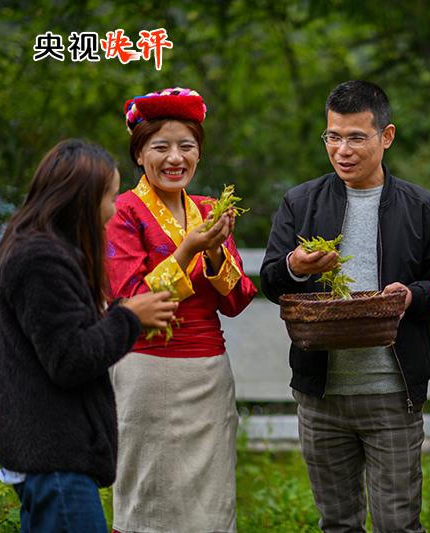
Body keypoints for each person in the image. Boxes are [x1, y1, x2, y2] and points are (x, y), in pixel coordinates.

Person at [260, 80, 430, 533]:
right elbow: (270, 280)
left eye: (356, 137)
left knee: (397, 523)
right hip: (321, 393)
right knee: (337, 523)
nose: (342, 150)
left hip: (392, 392)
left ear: (386, 137)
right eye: (333, 136)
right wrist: (295, 266)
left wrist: (411, 296)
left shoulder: (421, 208)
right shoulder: (301, 202)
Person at [0, 139, 176, 532]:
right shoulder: (41, 259)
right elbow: (70, 358)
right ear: (82, 199)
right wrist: (129, 317)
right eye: (110, 196)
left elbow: (59, 337)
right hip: (55, 461)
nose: (114, 209)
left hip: (48, 460)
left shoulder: (30, 247)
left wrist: (115, 314)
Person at [105, 87, 257, 533]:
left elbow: (237, 299)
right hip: (147, 370)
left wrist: (214, 253)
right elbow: (131, 299)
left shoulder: (209, 210)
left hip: (209, 370)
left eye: (186, 146)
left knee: (211, 499)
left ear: (199, 153)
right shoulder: (122, 211)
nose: (175, 158)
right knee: (147, 493)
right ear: (139, 155)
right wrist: (189, 248)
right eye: (161, 147)